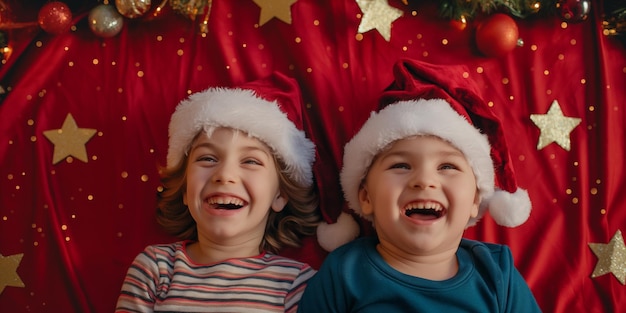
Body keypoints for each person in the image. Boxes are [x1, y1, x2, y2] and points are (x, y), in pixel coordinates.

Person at [298, 59, 541, 312]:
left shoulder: (497, 273)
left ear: (475, 201)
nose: (424, 180)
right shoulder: (344, 272)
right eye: (401, 166)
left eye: (448, 167)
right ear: (366, 198)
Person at [116, 72, 320, 313]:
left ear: (280, 196)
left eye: (251, 161)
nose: (225, 175)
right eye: (208, 158)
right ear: (184, 188)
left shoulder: (296, 284)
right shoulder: (156, 269)